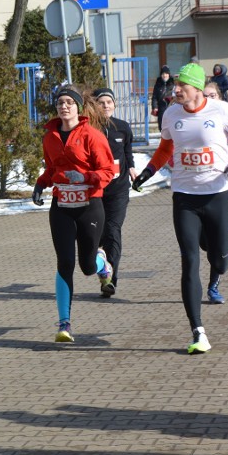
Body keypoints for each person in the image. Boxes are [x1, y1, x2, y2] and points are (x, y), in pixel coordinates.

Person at [132, 63, 228, 354]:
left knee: (219, 260)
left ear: (197, 89)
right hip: (185, 196)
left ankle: (224, 255)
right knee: (189, 261)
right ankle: (198, 331)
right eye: (175, 85)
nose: (176, 90)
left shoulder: (220, 111)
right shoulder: (172, 113)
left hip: (217, 195)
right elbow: (165, 148)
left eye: (182, 86)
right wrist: (149, 171)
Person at [32, 85, 116, 343]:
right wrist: (41, 184)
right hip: (62, 207)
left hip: (90, 205)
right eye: (60, 102)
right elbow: (52, 168)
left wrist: (86, 177)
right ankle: (64, 324)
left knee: (87, 267)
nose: (64, 106)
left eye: (69, 102)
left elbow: (108, 171)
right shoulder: (50, 137)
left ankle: (102, 265)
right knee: (65, 263)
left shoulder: (92, 135)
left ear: (78, 107)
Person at [91, 87, 136, 299]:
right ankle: (103, 270)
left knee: (113, 230)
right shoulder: (89, 129)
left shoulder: (123, 128)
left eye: (109, 102)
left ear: (115, 105)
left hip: (118, 190)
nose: (106, 106)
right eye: (101, 102)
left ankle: (111, 281)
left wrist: (133, 168)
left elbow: (127, 152)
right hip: (96, 191)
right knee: (96, 236)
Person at [201, 82, 228, 305]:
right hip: (196, 192)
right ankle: (223, 250)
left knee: (216, 244)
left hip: (225, 191)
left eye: (213, 95)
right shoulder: (194, 123)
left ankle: (213, 287)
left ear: (220, 97)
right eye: (205, 96)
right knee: (205, 244)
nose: (209, 99)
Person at [151, 65, 176, 130]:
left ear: (169, 74)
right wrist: (155, 107)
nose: (164, 75)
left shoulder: (173, 83)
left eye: (166, 74)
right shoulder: (158, 84)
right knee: (162, 125)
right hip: (161, 108)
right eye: (163, 74)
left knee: (171, 125)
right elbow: (154, 97)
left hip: (171, 107)